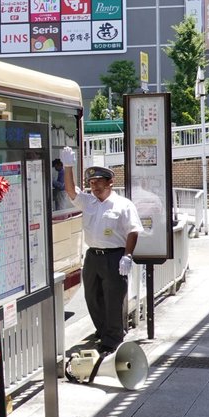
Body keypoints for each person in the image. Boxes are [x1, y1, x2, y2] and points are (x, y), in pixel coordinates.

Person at [60, 147, 143, 354]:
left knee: (113, 298)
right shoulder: (88, 202)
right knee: (93, 297)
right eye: (91, 183)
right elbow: (71, 191)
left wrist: (128, 255)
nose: (94, 186)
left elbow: (133, 230)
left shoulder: (123, 205)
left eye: (98, 182)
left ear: (110, 183)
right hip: (93, 256)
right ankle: (103, 330)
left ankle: (113, 339)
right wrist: (68, 166)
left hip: (114, 256)